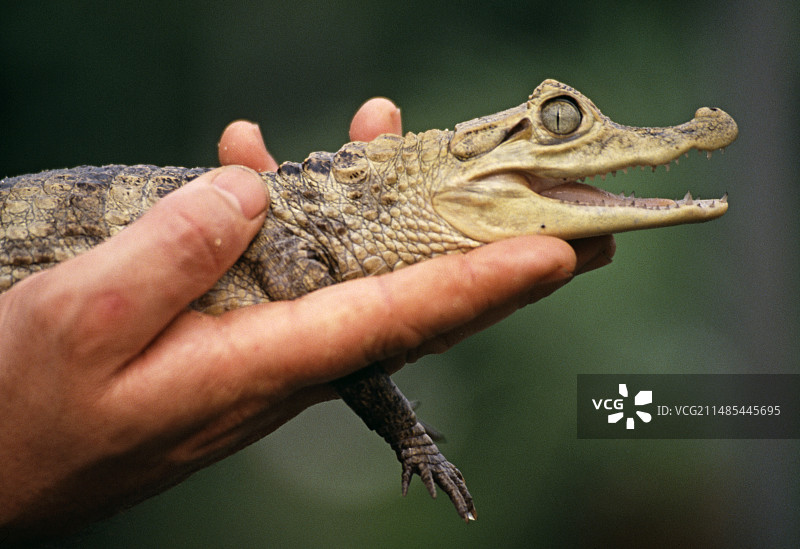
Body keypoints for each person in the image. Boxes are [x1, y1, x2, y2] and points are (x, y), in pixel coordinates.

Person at [0, 98, 614, 540]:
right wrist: (409, 436)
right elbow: (332, 335)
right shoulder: (286, 229)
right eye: (561, 123)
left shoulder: (312, 229)